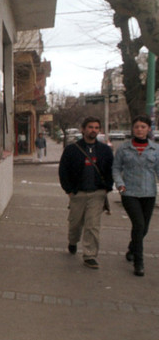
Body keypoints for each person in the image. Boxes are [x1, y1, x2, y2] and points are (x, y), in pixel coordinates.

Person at [58, 116, 114, 269]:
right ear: (83, 129)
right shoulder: (72, 150)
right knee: (75, 224)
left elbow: (111, 170)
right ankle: (72, 241)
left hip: (97, 194)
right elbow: (63, 171)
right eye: (90, 127)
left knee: (92, 225)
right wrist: (69, 191)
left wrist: (106, 188)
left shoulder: (105, 150)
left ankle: (90, 255)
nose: (93, 130)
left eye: (96, 127)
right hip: (78, 194)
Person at [112, 114, 159, 277]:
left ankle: (132, 248)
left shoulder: (155, 149)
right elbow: (116, 168)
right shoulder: (124, 148)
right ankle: (139, 262)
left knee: (143, 228)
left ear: (148, 129)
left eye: (143, 127)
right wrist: (120, 184)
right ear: (133, 129)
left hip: (149, 193)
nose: (140, 130)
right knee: (138, 225)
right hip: (129, 192)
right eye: (137, 126)